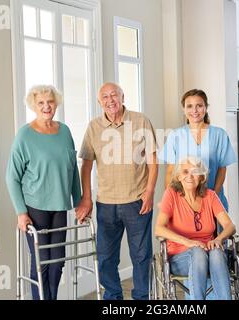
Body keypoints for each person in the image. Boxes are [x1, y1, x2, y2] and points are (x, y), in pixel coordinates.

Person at [76, 82, 158, 300]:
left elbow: (152, 159)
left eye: (114, 95)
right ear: (99, 102)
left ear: (123, 96)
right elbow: (86, 165)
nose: (110, 100)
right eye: (105, 97)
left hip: (137, 201)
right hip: (106, 204)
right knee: (105, 258)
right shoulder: (94, 127)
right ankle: (113, 299)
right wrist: (86, 198)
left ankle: (142, 299)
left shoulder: (140, 121)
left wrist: (149, 191)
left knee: (141, 256)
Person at [6, 85, 81, 300]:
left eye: (50, 101)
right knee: (41, 262)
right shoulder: (25, 135)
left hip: (60, 206)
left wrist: (79, 202)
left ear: (56, 103)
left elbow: (72, 169)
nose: (46, 106)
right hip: (35, 207)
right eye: (41, 103)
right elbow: (11, 176)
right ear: (33, 105)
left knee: (57, 262)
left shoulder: (64, 131)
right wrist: (21, 212)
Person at [155, 156, 236, 300]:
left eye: (195, 172)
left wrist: (218, 239)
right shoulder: (171, 195)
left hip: (209, 254)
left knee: (217, 252)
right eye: (185, 172)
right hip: (180, 258)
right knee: (197, 252)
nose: (190, 176)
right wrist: (188, 243)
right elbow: (159, 229)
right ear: (179, 176)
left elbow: (230, 226)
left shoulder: (210, 196)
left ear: (202, 176)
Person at [158, 89, 236, 212]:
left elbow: (222, 169)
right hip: (183, 200)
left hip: (212, 198)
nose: (194, 111)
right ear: (184, 109)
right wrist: (170, 199)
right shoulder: (175, 135)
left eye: (199, 106)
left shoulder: (219, 134)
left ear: (206, 107)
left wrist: (213, 196)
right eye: (189, 106)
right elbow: (170, 172)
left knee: (215, 231)